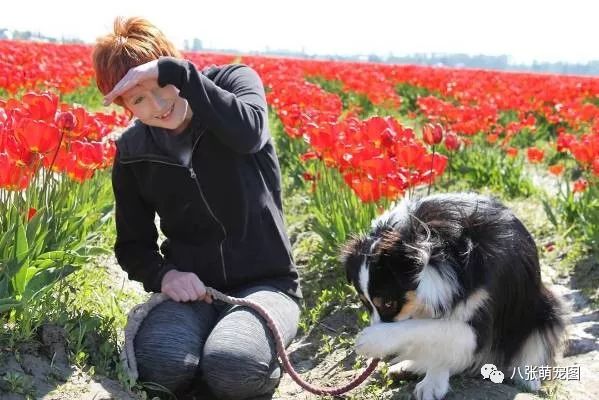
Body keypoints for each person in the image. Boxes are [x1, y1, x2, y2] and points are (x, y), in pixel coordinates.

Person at [92, 16, 302, 400]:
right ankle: (216, 341)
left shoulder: (234, 85)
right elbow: (133, 246)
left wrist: (179, 73)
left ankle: (249, 352)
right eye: (138, 99)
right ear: (124, 105)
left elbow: (250, 133)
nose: (158, 105)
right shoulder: (133, 153)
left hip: (268, 283)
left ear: (175, 67)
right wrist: (165, 276)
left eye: (162, 84)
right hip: (195, 291)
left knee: (232, 366)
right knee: (159, 363)